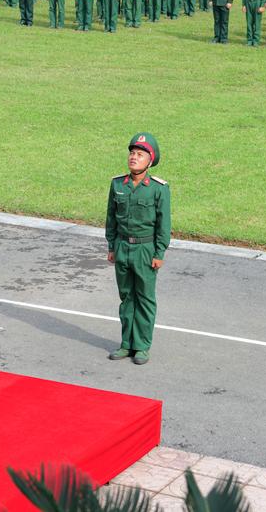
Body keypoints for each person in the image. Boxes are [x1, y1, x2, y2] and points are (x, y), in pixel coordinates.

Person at [105, 134, 170, 366]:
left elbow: (163, 224)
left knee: (144, 298)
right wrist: (111, 246)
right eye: (132, 153)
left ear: (150, 161)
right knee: (126, 297)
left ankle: (141, 346)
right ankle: (126, 344)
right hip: (122, 247)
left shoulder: (158, 189)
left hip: (145, 249)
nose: (133, 157)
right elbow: (111, 218)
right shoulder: (117, 184)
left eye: (140, 154)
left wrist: (159, 253)